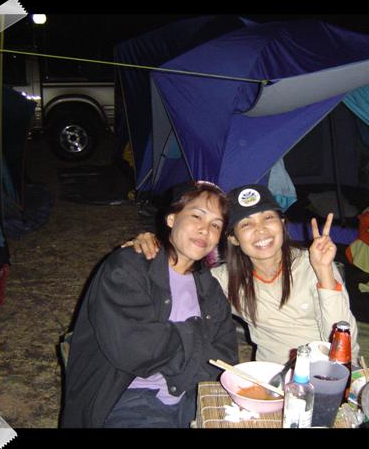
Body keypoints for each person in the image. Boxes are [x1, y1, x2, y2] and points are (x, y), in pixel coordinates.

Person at [61, 181, 238, 428]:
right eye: (197, 216)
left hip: (192, 395)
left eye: (215, 225)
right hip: (129, 398)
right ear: (172, 219)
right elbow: (138, 349)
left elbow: (226, 356)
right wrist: (196, 333)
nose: (205, 230)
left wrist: (178, 345)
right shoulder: (128, 267)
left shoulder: (209, 287)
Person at [125, 183, 360, 365]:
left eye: (268, 218)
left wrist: (324, 272)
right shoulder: (224, 279)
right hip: (271, 379)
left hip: (328, 373)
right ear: (233, 238)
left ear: (282, 224)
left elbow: (345, 342)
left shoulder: (313, 264)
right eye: (246, 224)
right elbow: (176, 278)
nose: (261, 230)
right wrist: (154, 245)